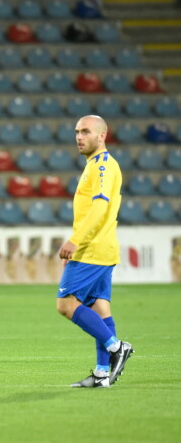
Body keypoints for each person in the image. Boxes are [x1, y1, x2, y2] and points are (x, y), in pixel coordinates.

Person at [56, 115, 134, 388]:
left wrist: (76, 241)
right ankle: (102, 374)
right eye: (77, 131)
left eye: (86, 131)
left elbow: (100, 208)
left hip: (92, 248)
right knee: (99, 308)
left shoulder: (103, 166)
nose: (79, 136)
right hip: (100, 248)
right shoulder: (96, 165)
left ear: (102, 135)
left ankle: (116, 348)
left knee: (66, 305)